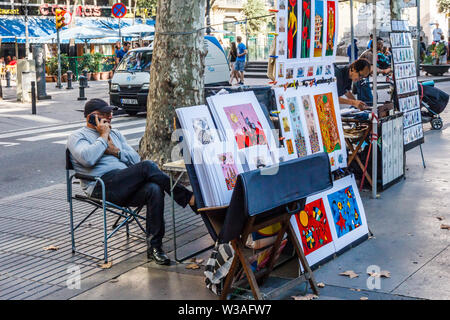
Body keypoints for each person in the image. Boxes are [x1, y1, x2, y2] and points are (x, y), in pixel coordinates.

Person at [67, 98, 197, 266]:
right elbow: (88, 159)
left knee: (154, 188)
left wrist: (116, 152)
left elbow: (136, 159)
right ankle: (187, 198)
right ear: (91, 117)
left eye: (110, 113)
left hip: (124, 183)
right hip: (101, 186)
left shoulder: (116, 134)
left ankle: (155, 248)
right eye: (104, 114)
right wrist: (103, 136)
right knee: (148, 167)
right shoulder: (78, 136)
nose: (110, 117)